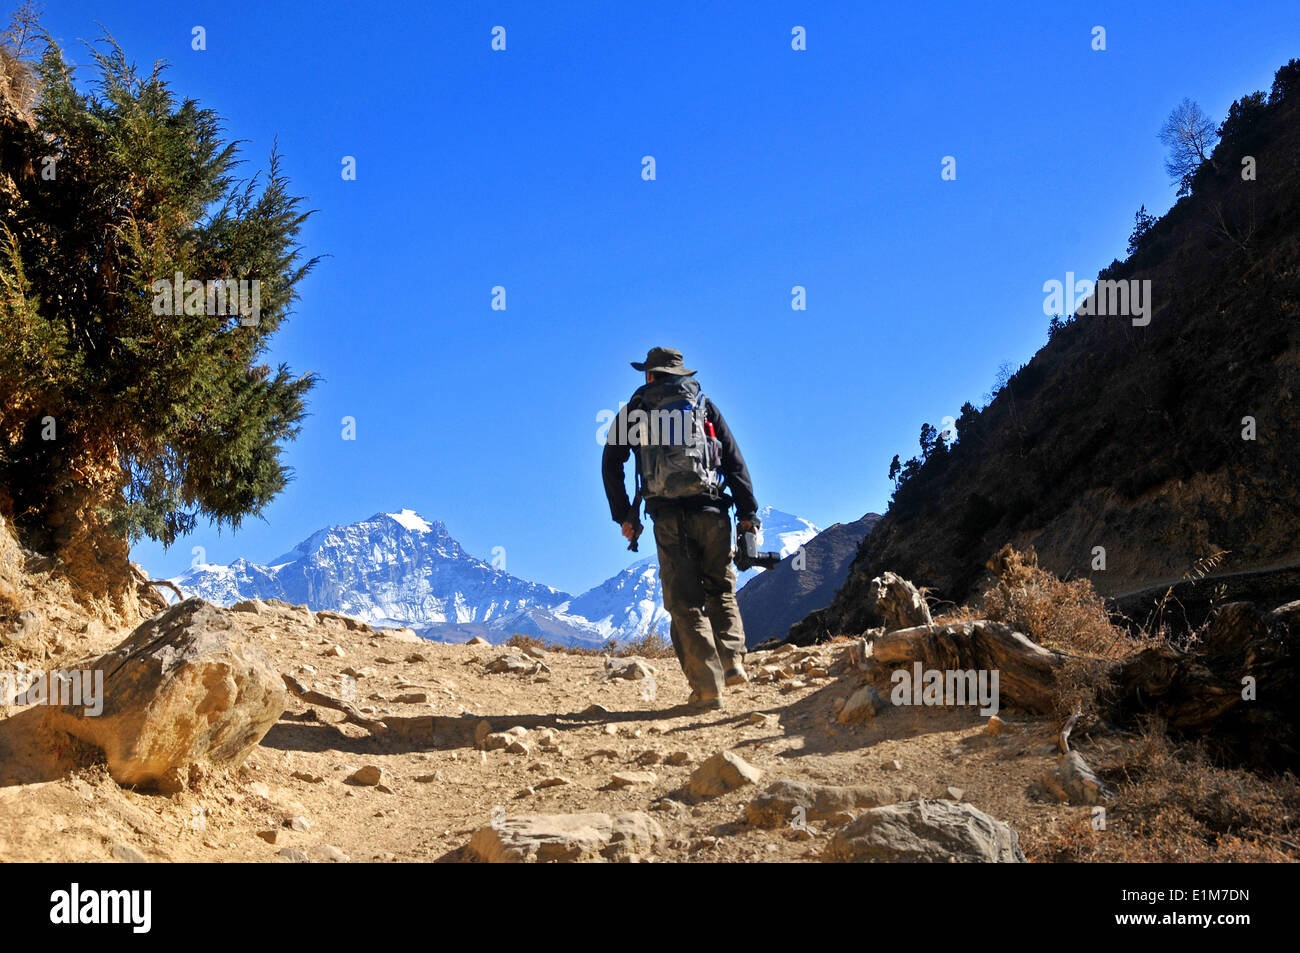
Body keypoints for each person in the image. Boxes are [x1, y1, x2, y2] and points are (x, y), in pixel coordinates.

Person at [602, 346, 759, 711]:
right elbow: (735, 462)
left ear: (650, 374)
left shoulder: (636, 410)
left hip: (668, 517)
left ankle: (708, 687)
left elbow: (611, 463)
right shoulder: (703, 405)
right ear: (681, 375)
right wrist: (748, 514)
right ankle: (734, 661)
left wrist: (625, 515)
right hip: (713, 510)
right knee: (720, 586)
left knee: (684, 603)